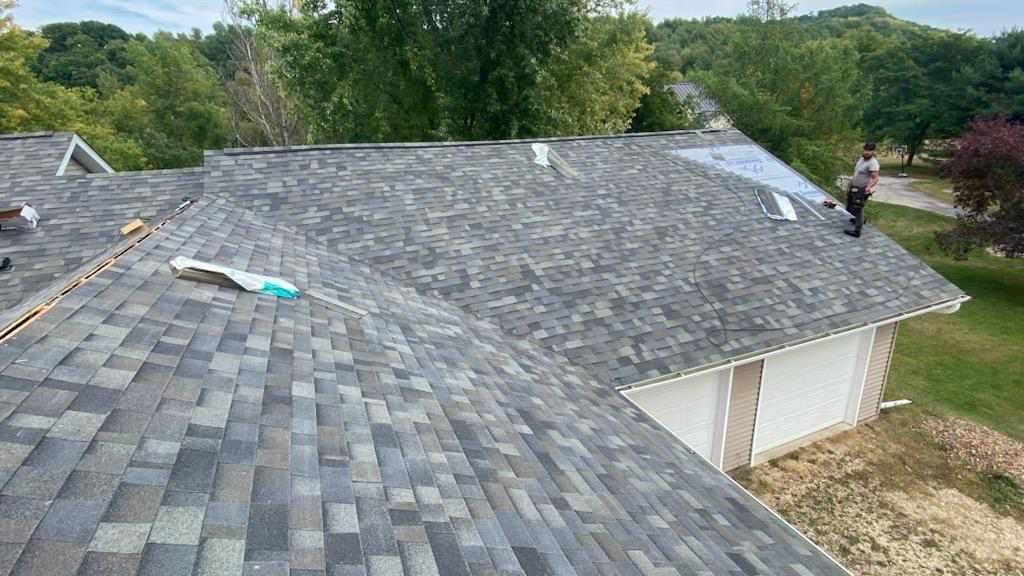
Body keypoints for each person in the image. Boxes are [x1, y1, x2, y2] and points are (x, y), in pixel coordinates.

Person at [845, 141, 880, 238]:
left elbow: (875, 178)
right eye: (866, 150)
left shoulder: (873, 163)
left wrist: (868, 187)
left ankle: (857, 231)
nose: (867, 152)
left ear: (873, 152)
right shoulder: (861, 159)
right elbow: (857, 173)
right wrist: (850, 183)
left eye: (869, 151)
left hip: (862, 189)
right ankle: (859, 219)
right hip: (853, 187)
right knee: (849, 207)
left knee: (858, 208)